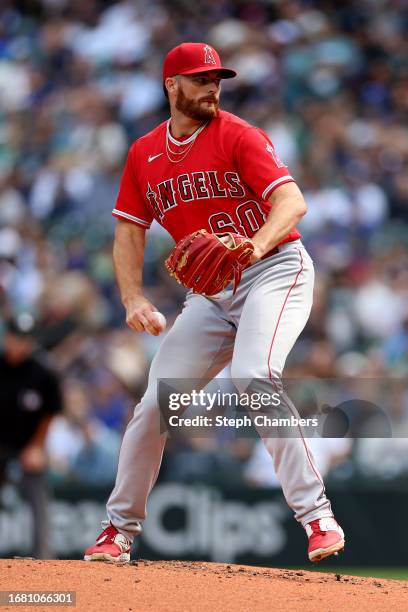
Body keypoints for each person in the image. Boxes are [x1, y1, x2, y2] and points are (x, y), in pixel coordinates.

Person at [84, 42, 345, 564]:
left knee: (254, 375)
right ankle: (118, 532)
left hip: (275, 269)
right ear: (171, 86)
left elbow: (291, 201)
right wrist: (133, 296)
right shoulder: (144, 154)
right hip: (212, 292)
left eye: (216, 78)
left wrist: (258, 242)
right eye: (200, 78)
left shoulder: (239, 134)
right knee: (157, 402)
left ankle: (316, 516)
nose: (212, 87)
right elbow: (129, 232)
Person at [0, 312, 63, 558]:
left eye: (25, 339)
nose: (20, 344)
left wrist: (37, 446)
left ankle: (44, 557)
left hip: (28, 445)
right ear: (7, 338)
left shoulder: (43, 373)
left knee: (38, 493)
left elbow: (51, 412)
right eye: (16, 337)